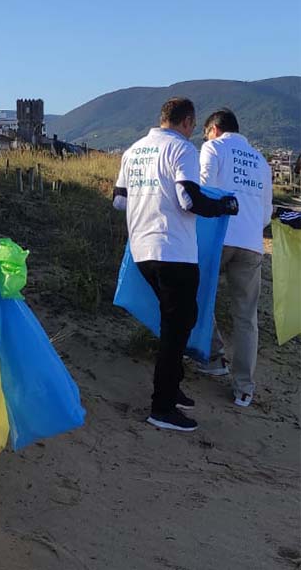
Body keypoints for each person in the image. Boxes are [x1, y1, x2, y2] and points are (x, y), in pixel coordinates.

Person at [112, 98, 238, 432]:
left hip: (142, 250)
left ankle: (173, 387)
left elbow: (118, 200)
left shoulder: (134, 150)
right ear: (187, 122)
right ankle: (162, 406)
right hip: (175, 251)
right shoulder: (183, 149)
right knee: (177, 326)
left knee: (178, 321)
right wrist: (222, 205)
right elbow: (188, 199)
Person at [197, 109, 272, 407]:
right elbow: (266, 213)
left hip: (219, 236)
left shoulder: (213, 148)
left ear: (214, 130)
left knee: (200, 297)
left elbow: (203, 189)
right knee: (246, 317)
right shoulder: (261, 161)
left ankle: (214, 357)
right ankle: (244, 387)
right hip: (253, 242)